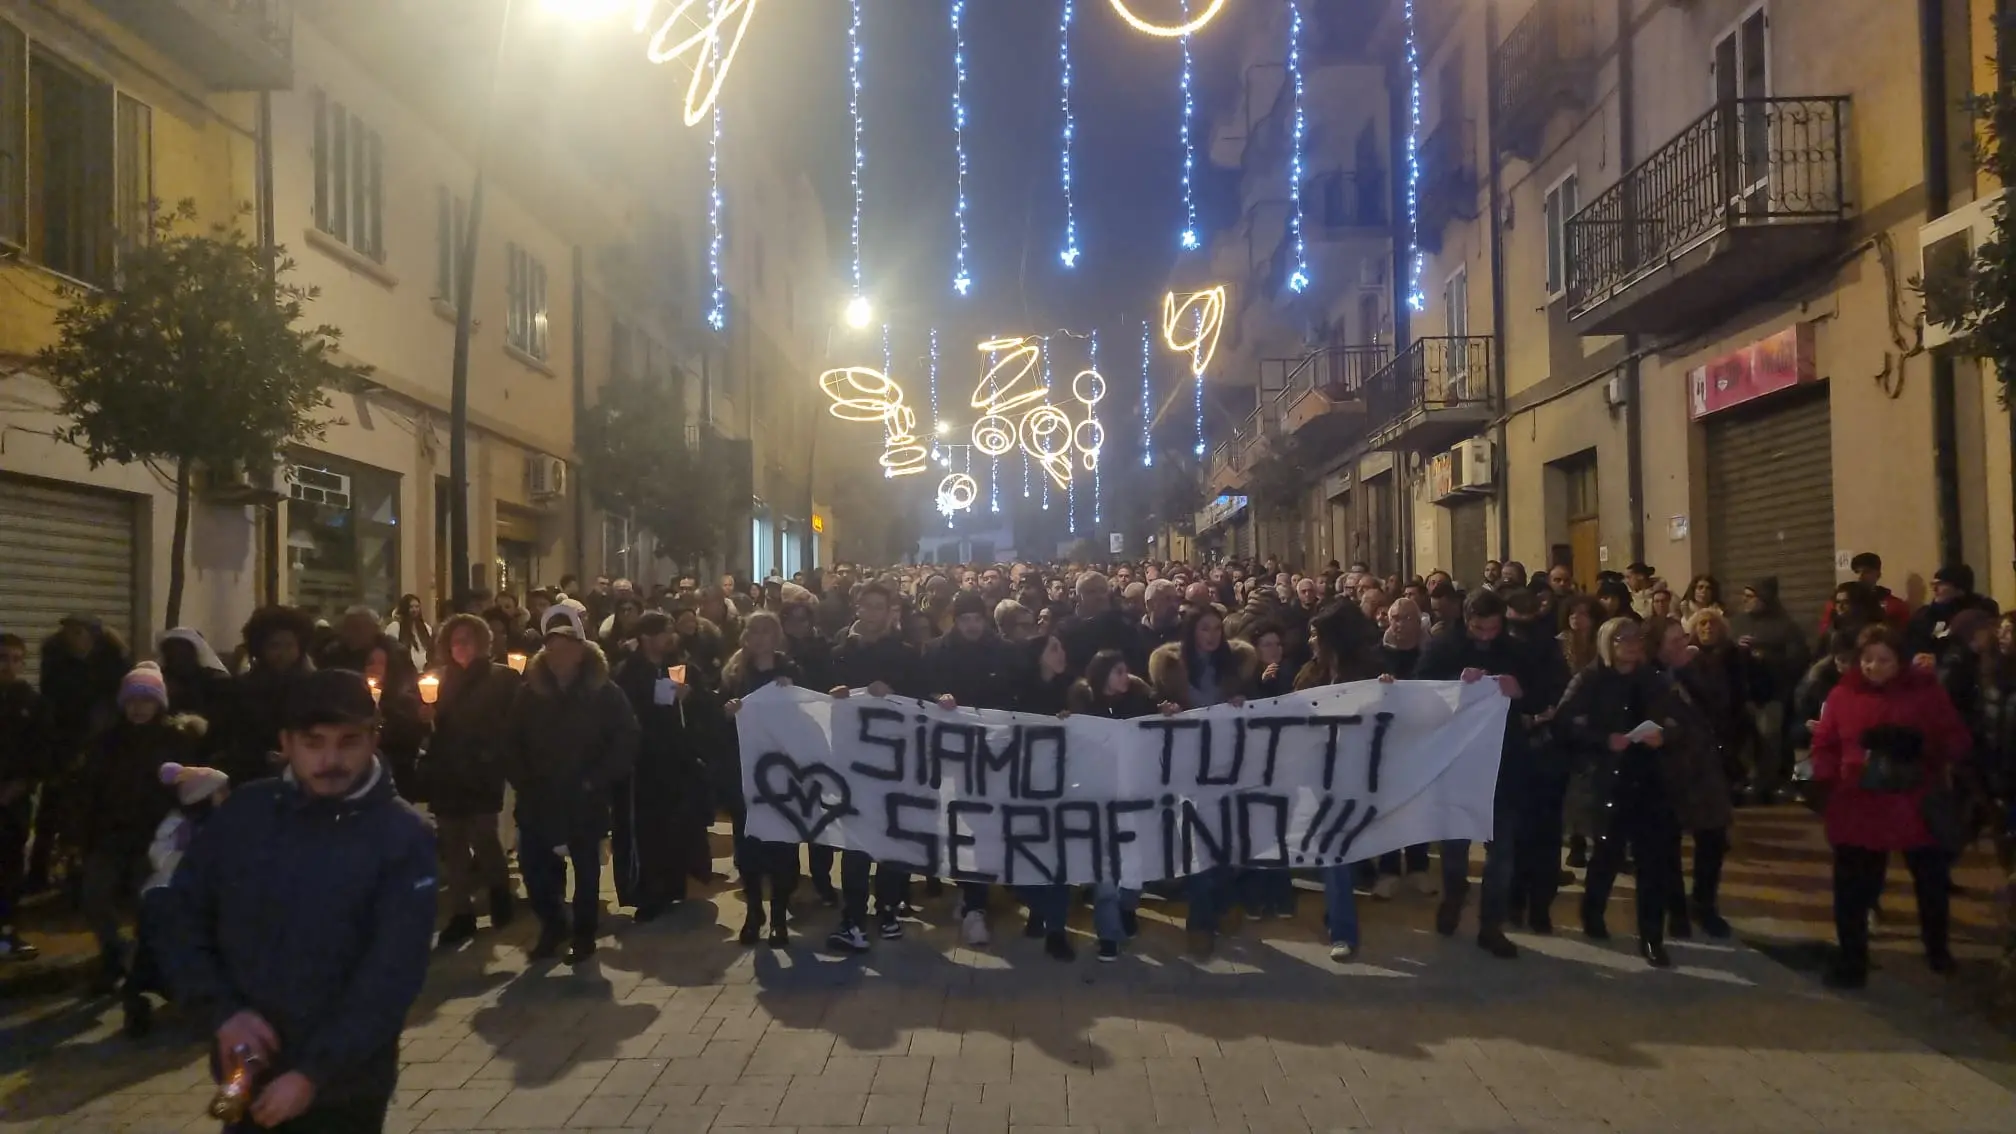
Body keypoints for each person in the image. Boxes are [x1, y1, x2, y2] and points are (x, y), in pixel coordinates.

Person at [159, 668, 436, 1134]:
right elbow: (179, 916)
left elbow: (391, 974)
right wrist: (223, 1012)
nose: (332, 759)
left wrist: (315, 1073)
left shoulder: (402, 836)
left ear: (374, 739)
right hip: (247, 1068)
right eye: (314, 742)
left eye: (349, 741)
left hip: (345, 1090)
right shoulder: (247, 814)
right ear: (286, 743)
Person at [1809, 625, 1973, 988]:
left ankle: (1937, 949)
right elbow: (1823, 742)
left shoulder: (1925, 692)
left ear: (1900, 661)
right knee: (1853, 886)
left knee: (1930, 881)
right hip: (1859, 799)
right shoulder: (1842, 693)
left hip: (1914, 799)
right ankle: (1852, 958)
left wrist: (1921, 746)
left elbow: (1957, 739)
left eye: (1883, 660)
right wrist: (1824, 783)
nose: (1873, 667)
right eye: (1867, 659)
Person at [1415, 589, 1549, 960]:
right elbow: (1421, 693)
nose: (1487, 636)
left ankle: (1492, 924)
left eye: (1493, 628)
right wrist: (1456, 686)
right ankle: (1454, 894)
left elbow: (1542, 696)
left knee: (1502, 850)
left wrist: (1520, 691)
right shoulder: (1443, 648)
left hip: (1505, 764)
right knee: (1456, 846)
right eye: (1479, 628)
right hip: (1459, 762)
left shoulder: (1517, 651)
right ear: (1467, 619)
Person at [502, 605, 639, 964]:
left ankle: (584, 932)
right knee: (536, 870)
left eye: (566, 646)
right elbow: (511, 739)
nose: (558, 654)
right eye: (552, 647)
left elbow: (626, 737)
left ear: (581, 650)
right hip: (539, 798)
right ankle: (552, 924)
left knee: (586, 870)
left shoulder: (604, 692)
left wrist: (598, 778)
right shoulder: (531, 693)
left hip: (584, 796)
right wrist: (523, 778)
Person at [1557, 619, 1682, 967]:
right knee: (1608, 853)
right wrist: (1602, 739)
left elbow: (1679, 720)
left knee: (1652, 860)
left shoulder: (1653, 680)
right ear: (1607, 644)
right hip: (1608, 777)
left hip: (1650, 777)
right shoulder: (1590, 679)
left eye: (1636, 638)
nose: (1631, 645)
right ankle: (1593, 912)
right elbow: (1565, 721)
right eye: (1622, 639)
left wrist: (1665, 736)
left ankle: (1652, 936)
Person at [924, 591, 1032, 950]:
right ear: (956, 620)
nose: (972, 626)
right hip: (956, 753)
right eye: (965, 619)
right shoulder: (936, 652)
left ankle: (976, 902)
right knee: (962, 825)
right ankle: (972, 896)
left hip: (995, 752)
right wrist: (939, 696)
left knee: (984, 825)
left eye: (977, 619)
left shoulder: (1003, 652)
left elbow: (1018, 693)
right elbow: (923, 691)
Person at [1149, 605, 1258, 955]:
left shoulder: (1235, 666)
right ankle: (1200, 921)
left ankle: (1223, 903)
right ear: (1192, 632)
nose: (1212, 635)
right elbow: (1149, 706)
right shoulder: (1170, 670)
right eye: (1204, 629)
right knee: (1198, 844)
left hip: (1226, 767)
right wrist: (1163, 709)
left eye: (1217, 628)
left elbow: (1253, 710)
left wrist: (1242, 700)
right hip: (1187, 769)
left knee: (1225, 842)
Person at [823, 582, 927, 948]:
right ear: (856, 607)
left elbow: (921, 701)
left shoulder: (906, 654)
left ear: (890, 611)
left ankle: (887, 907)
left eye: (878, 607)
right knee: (855, 842)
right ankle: (852, 914)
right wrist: (833, 693)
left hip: (894, 760)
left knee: (890, 836)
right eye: (865, 606)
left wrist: (894, 691)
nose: (871, 613)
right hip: (852, 760)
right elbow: (819, 693)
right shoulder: (837, 652)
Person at [78, 663, 193, 994]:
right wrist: (80, 831)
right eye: (132, 700)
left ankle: (144, 966)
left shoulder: (175, 741)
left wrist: (182, 827)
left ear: (159, 703)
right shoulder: (107, 741)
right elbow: (89, 788)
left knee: (147, 905)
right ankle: (114, 954)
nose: (138, 707)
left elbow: (187, 788)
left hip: (155, 836)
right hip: (109, 833)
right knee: (95, 896)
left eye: (146, 700)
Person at [418, 614, 521, 950]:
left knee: (484, 835)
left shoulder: (501, 678)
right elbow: (426, 727)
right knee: (453, 843)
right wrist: (425, 717)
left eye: (468, 640)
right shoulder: (438, 680)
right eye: (455, 641)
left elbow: (512, 721)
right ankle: (461, 914)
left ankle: (499, 893)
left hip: (481, 768)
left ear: (481, 643)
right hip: (447, 769)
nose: (461, 646)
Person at [611, 612, 717, 922]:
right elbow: (628, 714)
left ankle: (674, 884)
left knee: (675, 828)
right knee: (648, 831)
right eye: (664, 631)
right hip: (644, 765)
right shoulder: (629, 672)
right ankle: (647, 892)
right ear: (646, 637)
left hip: (676, 761)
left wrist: (689, 697)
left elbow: (699, 701)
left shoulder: (678, 666)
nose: (670, 636)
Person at [1295, 604, 1387, 959]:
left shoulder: (1369, 673)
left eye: (1317, 635)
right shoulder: (1309, 673)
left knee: (1338, 851)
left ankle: (1339, 917)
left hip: (1355, 772)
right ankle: (1342, 927)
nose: (1311, 641)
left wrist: (1387, 694)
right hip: (1319, 774)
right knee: (1334, 851)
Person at [124, 764, 230, 1037]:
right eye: (220, 790)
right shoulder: (179, 825)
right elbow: (163, 856)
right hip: (174, 891)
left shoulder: (226, 823)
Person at [1647, 615, 1736, 939]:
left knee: (1713, 838)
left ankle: (1704, 903)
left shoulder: (1700, 667)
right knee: (1667, 845)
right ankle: (1676, 909)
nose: (1684, 645)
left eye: (1684, 638)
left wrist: (1689, 671)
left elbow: (1720, 704)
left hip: (1704, 767)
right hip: (1669, 770)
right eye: (1674, 641)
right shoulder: (1649, 677)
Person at [29, 615, 130, 894]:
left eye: (78, 631)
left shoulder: (110, 664)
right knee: (50, 815)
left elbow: (113, 705)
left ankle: (85, 878)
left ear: (92, 636)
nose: (71, 637)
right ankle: (39, 874)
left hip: (98, 747)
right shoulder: (56, 661)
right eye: (69, 631)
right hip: (63, 747)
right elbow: (52, 704)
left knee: (91, 816)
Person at [721, 611, 804, 948]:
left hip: (781, 775)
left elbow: (805, 719)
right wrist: (727, 712)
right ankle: (754, 910)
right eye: (753, 632)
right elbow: (718, 719)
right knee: (749, 848)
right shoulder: (734, 674)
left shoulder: (791, 671)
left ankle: (780, 916)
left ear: (776, 636)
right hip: (745, 775)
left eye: (766, 632)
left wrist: (792, 693)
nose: (759, 639)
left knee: (782, 847)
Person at [1731, 578, 1810, 804]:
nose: (1744, 601)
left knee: (1769, 737)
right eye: (1743, 596)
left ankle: (1768, 782)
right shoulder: (1737, 623)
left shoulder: (1785, 626)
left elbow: (1798, 659)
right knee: (1745, 740)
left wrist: (1765, 656)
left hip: (1772, 692)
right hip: (1743, 691)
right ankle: (1750, 778)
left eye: (1750, 596)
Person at [229, 607, 319, 787]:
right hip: (253, 775)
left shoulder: (315, 686)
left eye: (289, 645)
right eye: (274, 645)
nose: (282, 653)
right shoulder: (242, 688)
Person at [0, 633, 47, 961]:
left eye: (17, 659)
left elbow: (41, 751)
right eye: (3, 658)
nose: (9, 666)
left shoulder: (28, 700)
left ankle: (5, 933)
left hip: (13, 800)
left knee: (9, 868)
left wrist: (24, 783)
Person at [1907, 564, 2002, 664]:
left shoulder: (1977, 613)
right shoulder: (1926, 614)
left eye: (1941, 584)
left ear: (1959, 589)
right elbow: (1912, 642)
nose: (1935, 589)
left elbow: (1974, 649)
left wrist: (1938, 659)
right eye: (1933, 584)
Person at [385, 594, 433, 671]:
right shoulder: (395, 627)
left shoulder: (426, 627)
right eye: (411, 607)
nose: (414, 610)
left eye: (417, 607)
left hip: (425, 672)